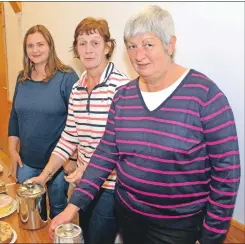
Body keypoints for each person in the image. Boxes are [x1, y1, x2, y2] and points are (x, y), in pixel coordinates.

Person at [50, 5, 240, 244]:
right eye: (132, 46)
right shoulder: (123, 97)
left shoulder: (205, 96)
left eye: (148, 44)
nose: (139, 55)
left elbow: (227, 174)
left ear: (169, 45)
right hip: (128, 218)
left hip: (180, 227)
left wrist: (211, 236)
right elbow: (105, 155)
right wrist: (73, 206)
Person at [28, 18, 130, 244]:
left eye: (95, 42)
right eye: (82, 43)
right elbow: (68, 138)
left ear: (107, 46)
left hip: (112, 187)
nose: (88, 50)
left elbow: (123, 148)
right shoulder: (77, 88)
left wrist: (88, 171)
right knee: (85, 232)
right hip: (84, 184)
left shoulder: (122, 88)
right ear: (76, 49)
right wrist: (43, 177)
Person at [7, 25, 79, 220]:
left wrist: (72, 158)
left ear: (50, 46)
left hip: (57, 164)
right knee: (31, 213)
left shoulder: (66, 77)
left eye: (40, 44)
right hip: (27, 161)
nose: (35, 50)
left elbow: (77, 120)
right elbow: (14, 116)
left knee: (57, 210)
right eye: (30, 46)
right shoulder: (21, 78)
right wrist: (12, 151)